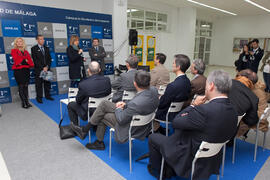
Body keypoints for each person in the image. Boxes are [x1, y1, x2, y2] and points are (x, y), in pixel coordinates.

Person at [147, 70, 238, 180]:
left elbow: (176, 122)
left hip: (189, 152)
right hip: (213, 155)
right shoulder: (234, 111)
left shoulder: (204, 111)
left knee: (153, 137)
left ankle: (160, 172)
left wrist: (193, 105)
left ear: (211, 86)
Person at [70, 70, 159, 150]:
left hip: (131, 127)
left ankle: (96, 140)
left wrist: (119, 108)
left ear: (135, 83)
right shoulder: (154, 90)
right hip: (143, 122)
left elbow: (121, 118)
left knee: (101, 114)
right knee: (104, 104)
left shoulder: (135, 103)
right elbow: (138, 102)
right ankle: (85, 130)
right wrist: (125, 103)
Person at [67, 61, 111, 126]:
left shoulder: (83, 84)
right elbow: (108, 93)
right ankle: (95, 125)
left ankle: (75, 128)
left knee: (70, 105)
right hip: (103, 110)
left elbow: (78, 101)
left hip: (88, 112)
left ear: (88, 71)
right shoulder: (107, 80)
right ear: (99, 70)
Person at [155, 54, 191, 121]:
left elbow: (161, 104)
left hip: (166, 115)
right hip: (178, 113)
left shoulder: (172, 86)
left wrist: (160, 98)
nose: (172, 65)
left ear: (178, 67)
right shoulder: (188, 82)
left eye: (173, 63)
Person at [236, 70, 268, 137]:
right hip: (257, 116)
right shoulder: (255, 88)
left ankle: (227, 140)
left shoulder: (255, 92)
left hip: (258, 119)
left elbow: (257, 112)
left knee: (231, 121)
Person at [228, 70, 259, 141]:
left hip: (210, 130)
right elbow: (251, 121)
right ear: (253, 85)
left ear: (239, 76)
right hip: (230, 136)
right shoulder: (253, 98)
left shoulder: (225, 83)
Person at [11, 37, 34, 108]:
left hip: (26, 71)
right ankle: (23, 103)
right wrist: (25, 61)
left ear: (23, 43)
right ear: (16, 43)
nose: (19, 43)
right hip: (18, 71)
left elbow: (31, 63)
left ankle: (27, 102)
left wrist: (24, 62)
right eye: (17, 42)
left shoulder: (26, 52)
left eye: (20, 41)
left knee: (26, 86)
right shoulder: (14, 51)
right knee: (21, 86)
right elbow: (17, 61)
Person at [31, 35, 53, 103]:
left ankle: (48, 96)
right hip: (39, 70)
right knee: (39, 84)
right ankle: (39, 98)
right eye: (40, 39)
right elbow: (35, 60)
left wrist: (47, 67)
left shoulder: (46, 48)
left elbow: (49, 59)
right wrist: (42, 68)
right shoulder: (33, 48)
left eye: (43, 39)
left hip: (47, 69)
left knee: (47, 83)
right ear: (37, 40)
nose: (42, 40)